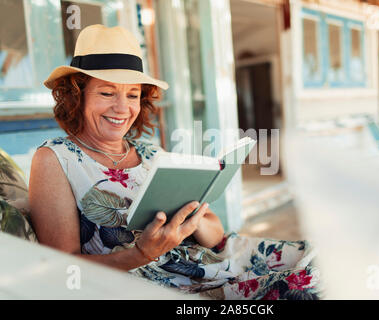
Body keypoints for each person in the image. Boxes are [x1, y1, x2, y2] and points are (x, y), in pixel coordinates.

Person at [29, 24, 321, 300]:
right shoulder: (56, 158)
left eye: (133, 94)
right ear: (76, 96)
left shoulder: (151, 153)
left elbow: (215, 234)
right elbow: (63, 269)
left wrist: (191, 219)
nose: (122, 108)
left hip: (216, 259)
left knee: (329, 260)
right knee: (311, 285)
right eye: (107, 92)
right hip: (167, 283)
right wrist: (141, 254)